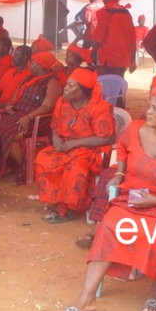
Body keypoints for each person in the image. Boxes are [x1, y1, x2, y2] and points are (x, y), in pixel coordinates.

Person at [57, 86, 156, 311]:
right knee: (108, 227)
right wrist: (120, 174)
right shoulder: (135, 129)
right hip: (132, 198)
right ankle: (86, 298)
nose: (149, 111)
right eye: (149, 106)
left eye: (155, 108)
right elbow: (122, 148)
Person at [35, 68, 115, 223]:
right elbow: (55, 126)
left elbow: (106, 138)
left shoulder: (100, 108)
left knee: (75, 167)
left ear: (83, 91)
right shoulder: (61, 102)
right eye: (67, 84)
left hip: (88, 149)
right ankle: (55, 203)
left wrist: (76, 143)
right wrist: (56, 138)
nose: (65, 88)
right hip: (66, 146)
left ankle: (71, 209)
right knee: (44, 159)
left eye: (71, 86)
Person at [0, 51, 63, 183]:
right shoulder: (29, 78)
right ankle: (5, 165)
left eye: (32, 62)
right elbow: (14, 97)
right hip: (19, 113)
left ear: (40, 65)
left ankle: (22, 168)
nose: (30, 64)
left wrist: (28, 117)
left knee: (10, 135)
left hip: (38, 119)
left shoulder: (52, 82)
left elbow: (47, 106)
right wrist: (9, 106)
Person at [93, 0, 136, 78]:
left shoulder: (104, 12)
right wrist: (133, 60)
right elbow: (133, 38)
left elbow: (99, 37)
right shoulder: (126, 13)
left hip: (108, 59)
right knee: (118, 84)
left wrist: (92, 52)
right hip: (123, 59)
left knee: (106, 86)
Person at [0, 45, 32, 109]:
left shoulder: (29, 75)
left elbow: (21, 100)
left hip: (11, 109)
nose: (13, 57)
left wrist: (2, 106)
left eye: (16, 55)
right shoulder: (10, 71)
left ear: (24, 58)